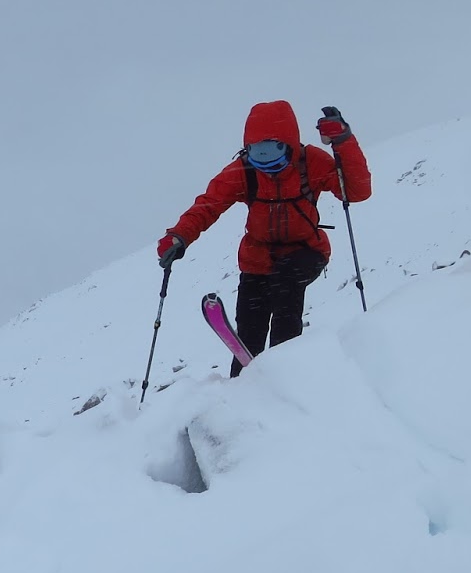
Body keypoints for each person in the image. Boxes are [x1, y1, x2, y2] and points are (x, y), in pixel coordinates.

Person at [156, 101, 372, 376]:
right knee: (249, 330)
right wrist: (179, 236)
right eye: (258, 152)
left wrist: (343, 141)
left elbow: (356, 191)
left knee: (286, 287)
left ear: (289, 145)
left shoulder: (310, 162)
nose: (267, 163)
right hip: (257, 260)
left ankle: (286, 367)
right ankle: (242, 385)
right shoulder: (244, 170)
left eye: (273, 151)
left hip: (306, 250)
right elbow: (208, 205)